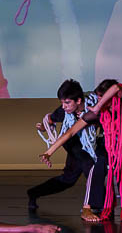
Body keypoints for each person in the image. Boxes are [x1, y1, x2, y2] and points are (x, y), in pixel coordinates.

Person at [39, 79, 122, 222]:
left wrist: (98, 106)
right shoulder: (96, 114)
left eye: (102, 98)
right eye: (98, 98)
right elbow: (70, 132)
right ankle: (90, 207)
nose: (99, 101)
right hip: (106, 145)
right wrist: (49, 152)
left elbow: (116, 87)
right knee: (97, 164)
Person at [29, 79, 107, 222]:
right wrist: (43, 128)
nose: (64, 106)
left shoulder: (94, 106)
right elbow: (51, 121)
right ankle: (88, 208)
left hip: (89, 142)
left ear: (78, 100)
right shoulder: (63, 111)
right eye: (62, 102)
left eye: (67, 103)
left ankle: (33, 193)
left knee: (68, 179)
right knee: (91, 166)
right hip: (72, 143)